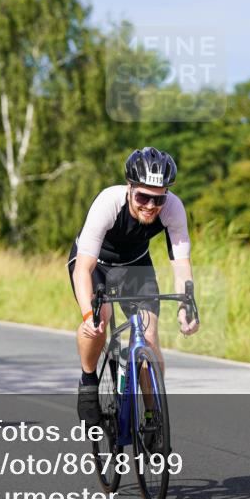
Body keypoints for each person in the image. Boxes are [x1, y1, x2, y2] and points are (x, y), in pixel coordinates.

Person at [68, 147, 200, 424]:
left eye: (158, 199)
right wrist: (87, 314)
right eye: (143, 197)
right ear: (129, 188)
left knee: (149, 337)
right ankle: (88, 380)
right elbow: (83, 268)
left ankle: (153, 416)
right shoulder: (108, 202)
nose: (151, 206)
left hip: (135, 265)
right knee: (100, 321)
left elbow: (181, 264)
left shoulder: (173, 208)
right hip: (96, 264)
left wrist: (187, 306)